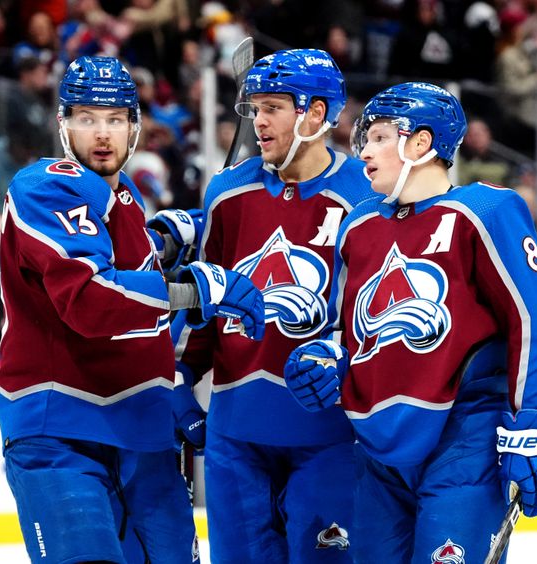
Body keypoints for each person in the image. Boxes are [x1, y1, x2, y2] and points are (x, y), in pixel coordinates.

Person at [283, 82, 537, 563]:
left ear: (421, 143)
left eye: (377, 138)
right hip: (375, 447)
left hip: (462, 438)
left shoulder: (482, 212)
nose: (364, 152)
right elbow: (351, 331)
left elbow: (535, 322)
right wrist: (326, 357)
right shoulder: (358, 225)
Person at [0, 55, 265, 564]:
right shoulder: (46, 185)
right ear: (63, 125)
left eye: (115, 119)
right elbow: (91, 299)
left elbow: (124, 266)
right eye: (87, 118)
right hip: (62, 433)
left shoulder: (124, 200)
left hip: (143, 432)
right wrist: (191, 288)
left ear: (135, 128)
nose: (102, 134)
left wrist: (160, 239)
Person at [172, 48, 373, 563]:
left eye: (273, 108)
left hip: (330, 433)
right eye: (254, 107)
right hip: (236, 433)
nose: (258, 121)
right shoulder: (226, 193)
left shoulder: (367, 197)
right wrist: (181, 375)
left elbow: (376, 316)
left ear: (317, 114)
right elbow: (206, 297)